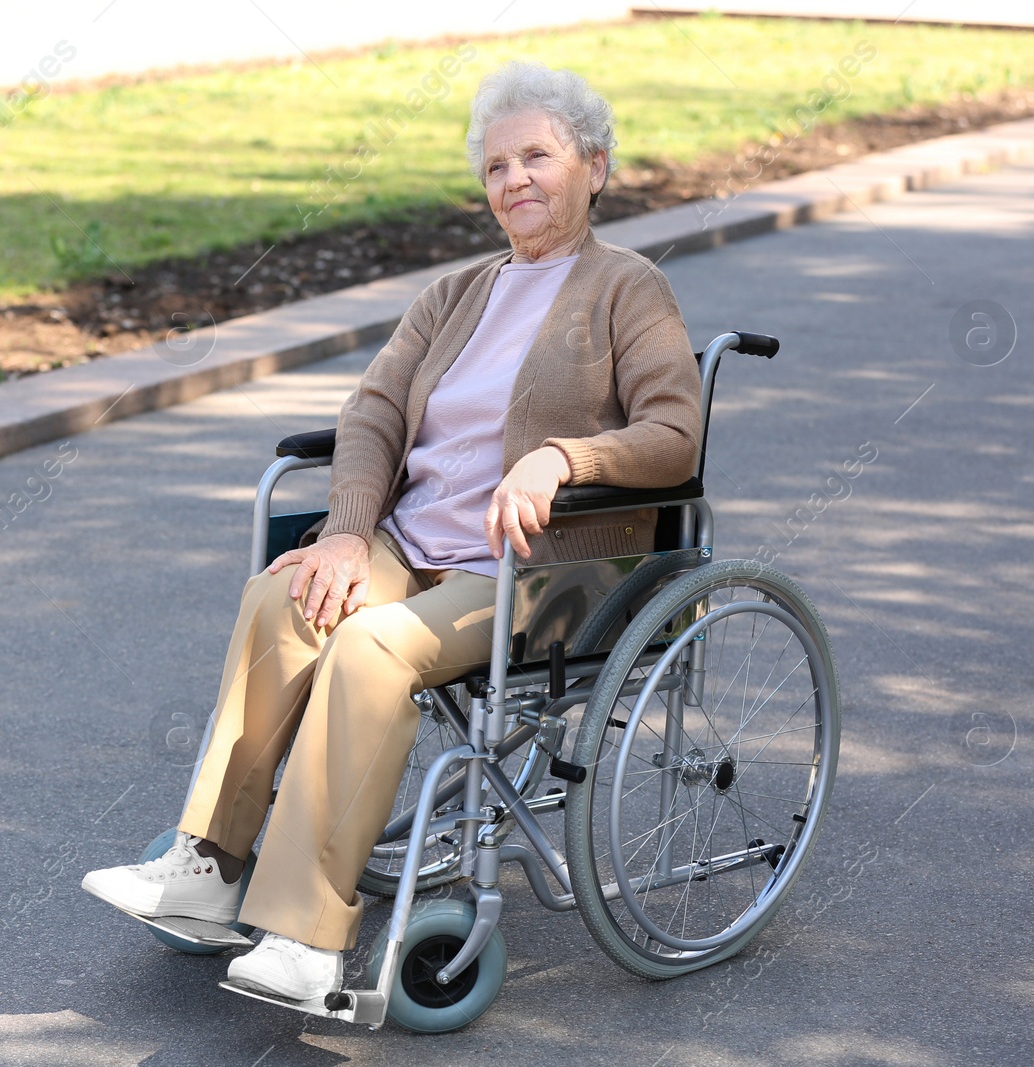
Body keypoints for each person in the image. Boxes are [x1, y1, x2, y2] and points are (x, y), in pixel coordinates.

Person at [82, 60, 702, 1002]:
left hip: (542, 571)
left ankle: (306, 935)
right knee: (285, 600)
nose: (514, 181)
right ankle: (207, 869)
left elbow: (672, 435)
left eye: (537, 156)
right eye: (496, 166)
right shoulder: (456, 293)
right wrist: (343, 531)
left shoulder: (627, 288)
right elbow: (372, 411)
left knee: (371, 650)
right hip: (411, 546)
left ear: (596, 168)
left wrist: (562, 459)